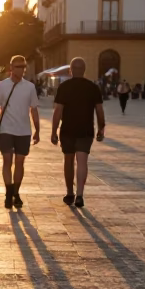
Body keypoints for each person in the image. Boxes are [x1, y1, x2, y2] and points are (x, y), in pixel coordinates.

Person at [0, 56, 40, 209]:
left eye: (23, 66)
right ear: (11, 68)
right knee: (7, 161)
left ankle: (16, 192)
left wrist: (37, 130)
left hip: (24, 131)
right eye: (18, 66)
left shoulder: (29, 87)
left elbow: (34, 109)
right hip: (6, 130)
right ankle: (9, 193)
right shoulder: (2, 86)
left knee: (20, 163)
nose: (21, 69)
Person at [50, 57, 105, 209]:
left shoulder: (64, 87)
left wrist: (54, 131)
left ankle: (69, 193)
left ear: (71, 70)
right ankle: (80, 195)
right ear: (84, 70)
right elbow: (100, 111)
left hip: (68, 130)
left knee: (68, 161)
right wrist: (101, 128)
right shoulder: (93, 87)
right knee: (82, 162)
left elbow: (58, 111)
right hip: (85, 130)